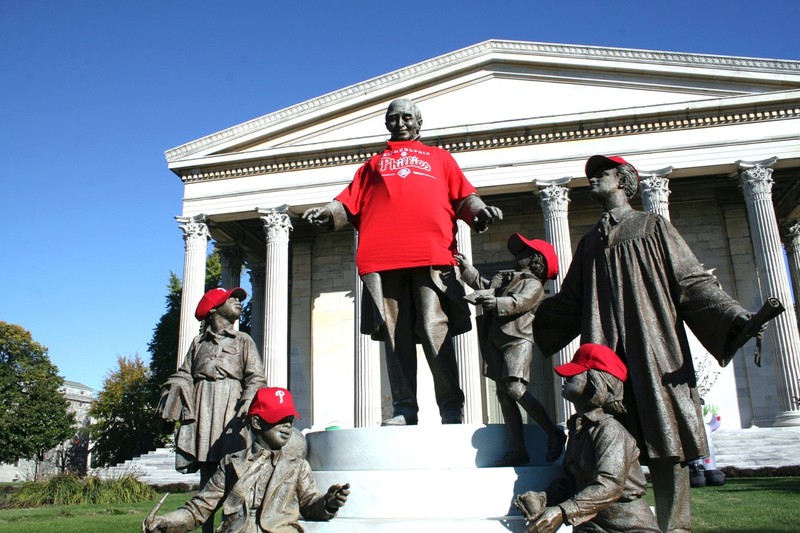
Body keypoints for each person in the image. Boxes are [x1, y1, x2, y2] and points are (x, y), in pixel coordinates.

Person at [532, 155, 761, 532]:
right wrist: (522, 317)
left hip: (652, 344)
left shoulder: (653, 226)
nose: (591, 179)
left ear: (624, 181)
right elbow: (569, 302)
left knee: (665, 435)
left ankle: (676, 526)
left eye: (600, 174)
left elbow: (692, 281)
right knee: (606, 435)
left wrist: (734, 317)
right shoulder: (590, 241)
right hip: (605, 352)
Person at [303, 98, 502, 426]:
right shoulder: (374, 164)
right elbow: (347, 202)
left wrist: (478, 212)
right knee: (395, 333)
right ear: (386, 124)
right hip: (384, 258)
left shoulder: (439, 158)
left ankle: (451, 406)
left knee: (433, 326)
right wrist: (327, 214)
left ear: (419, 122)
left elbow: (464, 195)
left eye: (407, 117)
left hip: (431, 253)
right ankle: (404, 408)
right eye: (393, 118)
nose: (400, 123)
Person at [144, 387, 350, 533]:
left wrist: (329, 503)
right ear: (257, 422)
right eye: (279, 419)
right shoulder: (231, 463)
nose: (287, 425)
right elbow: (200, 508)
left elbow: (309, 503)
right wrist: (167, 521)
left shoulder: (297, 466)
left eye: (289, 419)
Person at [514, 343, 660, 533]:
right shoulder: (579, 429)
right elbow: (569, 480)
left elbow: (609, 485)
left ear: (595, 382)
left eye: (574, 373)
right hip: (591, 524)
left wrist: (561, 512)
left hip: (628, 527)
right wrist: (544, 498)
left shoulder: (610, 431)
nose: (565, 377)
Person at [455, 233, 565, 465]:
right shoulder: (507, 279)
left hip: (518, 339)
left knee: (515, 389)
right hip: (495, 338)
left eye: (523, 253)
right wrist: (467, 269)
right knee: (503, 395)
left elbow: (520, 302)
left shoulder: (533, 284)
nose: (517, 255)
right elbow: (484, 286)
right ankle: (518, 450)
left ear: (535, 260)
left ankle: (553, 432)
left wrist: (495, 303)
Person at [155, 287, 267, 490]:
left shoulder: (243, 340)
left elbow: (256, 377)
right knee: (207, 467)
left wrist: (249, 400)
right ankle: (205, 520)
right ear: (213, 309)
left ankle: (233, 518)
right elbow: (184, 373)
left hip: (231, 405)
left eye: (237, 298)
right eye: (230, 298)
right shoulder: (198, 343)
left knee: (233, 464)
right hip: (202, 405)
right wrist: (171, 396)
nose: (237, 301)